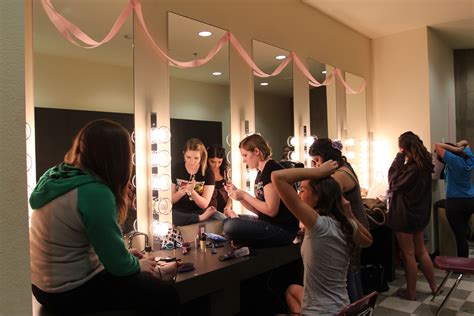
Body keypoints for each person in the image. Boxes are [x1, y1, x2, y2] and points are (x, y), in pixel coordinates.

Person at [29, 119, 179, 315]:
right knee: (166, 296)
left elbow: (77, 245)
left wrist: (125, 255)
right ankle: (158, 272)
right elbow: (119, 267)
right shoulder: (94, 192)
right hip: (69, 291)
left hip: (41, 288)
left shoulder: (56, 177)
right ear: (117, 157)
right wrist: (137, 265)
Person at [272, 161, 373, 315]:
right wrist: (350, 214)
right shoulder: (346, 224)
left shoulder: (319, 225)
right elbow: (368, 241)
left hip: (321, 313)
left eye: (302, 190)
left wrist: (318, 172)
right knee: (292, 290)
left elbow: (277, 177)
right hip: (341, 308)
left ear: (318, 197)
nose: (298, 194)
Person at [309, 138, 370, 302]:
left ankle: (356, 309)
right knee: (351, 272)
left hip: (353, 228)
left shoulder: (339, 176)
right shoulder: (345, 167)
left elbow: (321, 197)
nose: (315, 166)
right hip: (353, 225)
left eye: (316, 161)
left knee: (349, 275)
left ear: (325, 156)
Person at [223, 134, 299, 247]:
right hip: (269, 222)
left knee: (231, 226)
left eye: (245, 155)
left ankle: (245, 241)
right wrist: (239, 196)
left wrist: (244, 195)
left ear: (256, 151)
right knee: (226, 221)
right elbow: (259, 211)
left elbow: (271, 210)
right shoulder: (261, 173)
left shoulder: (271, 170)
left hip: (282, 230)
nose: (244, 160)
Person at [387, 131, 437, 300]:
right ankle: (434, 287)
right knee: (421, 251)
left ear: (403, 148)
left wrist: (398, 159)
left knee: (408, 254)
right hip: (419, 215)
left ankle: (411, 292)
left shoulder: (413, 168)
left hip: (405, 216)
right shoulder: (424, 164)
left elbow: (394, 183)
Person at [171, 138, 226, 226]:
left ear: (202, 157)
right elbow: (170, 200)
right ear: (183, 154)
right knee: (168, 215)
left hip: (200, 211)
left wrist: (193, 192)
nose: (192, 162)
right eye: (188, 157)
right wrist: (182, 192)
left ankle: (196, 218)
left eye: (196, 158)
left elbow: (204, 204)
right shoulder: (176, 169)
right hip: (179, 212)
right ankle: (199, 219)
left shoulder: (208, 172)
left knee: (221, 218)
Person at [434, 140, 474, 257]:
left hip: (455, 202)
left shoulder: (452, 160)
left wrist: (455, 149)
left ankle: (461, 269)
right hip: (470, 200)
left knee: (460, 237)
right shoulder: (469, 158)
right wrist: (457, 147)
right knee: (463, 232)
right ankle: (464, 263)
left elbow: (437, 146)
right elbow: (466, 142)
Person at [207, 145, 233, 215]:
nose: (216, 165)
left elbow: (231, 193)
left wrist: (227, 207)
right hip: (208, 212)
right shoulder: (204, 172)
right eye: (212, 161)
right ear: (207, 159)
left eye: (219, 162)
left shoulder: (225, 171)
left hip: (225, 210)